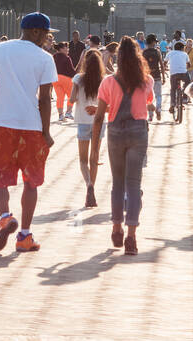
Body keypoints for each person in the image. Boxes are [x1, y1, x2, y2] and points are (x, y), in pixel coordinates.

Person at [0, 12, 56, 254]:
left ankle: (4, 217)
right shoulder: (44, 58)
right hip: (31, 127)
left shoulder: (0, 50)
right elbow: (44, 99)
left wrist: (2, 92)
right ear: (35, 32)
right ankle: (24, 235)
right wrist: (47, 131)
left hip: (3, 124)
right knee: (31, 182)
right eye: (45, 33)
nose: (47, 37)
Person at [93, 36, 153, 255]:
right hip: (138, 131)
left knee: (117, 183)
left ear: (118, 57)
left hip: (116, 131)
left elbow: (99, 115)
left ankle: (116, 227)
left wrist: (94, 144)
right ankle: (131, 237)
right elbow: (148, 101)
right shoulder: (146, 80)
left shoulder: (108, 82)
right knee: (134, 185)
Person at [69, 47, 106, 207]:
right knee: (94, 157)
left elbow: (71, 99)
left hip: (83, 120)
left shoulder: (78, 78)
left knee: (83, 160)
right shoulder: (105, 79)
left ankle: (88, 185)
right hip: (99, 121)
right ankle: (93, 188)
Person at [141, 34, 165, 122]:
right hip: (157, 76)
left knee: (148, 97)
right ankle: (158, 108)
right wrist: (163, 77)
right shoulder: (157, 52)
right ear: (153, 42)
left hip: (146, 77)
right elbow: (161, 65)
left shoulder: (144, 52)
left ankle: (150, 116)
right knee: (158, 95)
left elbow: (141, 65)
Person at [166, 39, 189, 122]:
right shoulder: (185, 54)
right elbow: (188, 64)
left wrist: (165, 67)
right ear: (182, 48)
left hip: (174, 73)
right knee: (188, 82)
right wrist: (186, 67)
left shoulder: (170, 53)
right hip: (183, 73)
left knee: (173, 89)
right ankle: (184, 96)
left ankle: (172, 104)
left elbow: (165, 61)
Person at [52, 41, 76, 121]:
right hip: (66, 79)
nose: (68, 49)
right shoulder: (67, 58)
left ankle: (60, 115)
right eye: (66, 47)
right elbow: (72, 71)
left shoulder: (53, 57)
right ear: (61, 49)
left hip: (55, 79)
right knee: (71, 96)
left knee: (60, 97)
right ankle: (68, 113)